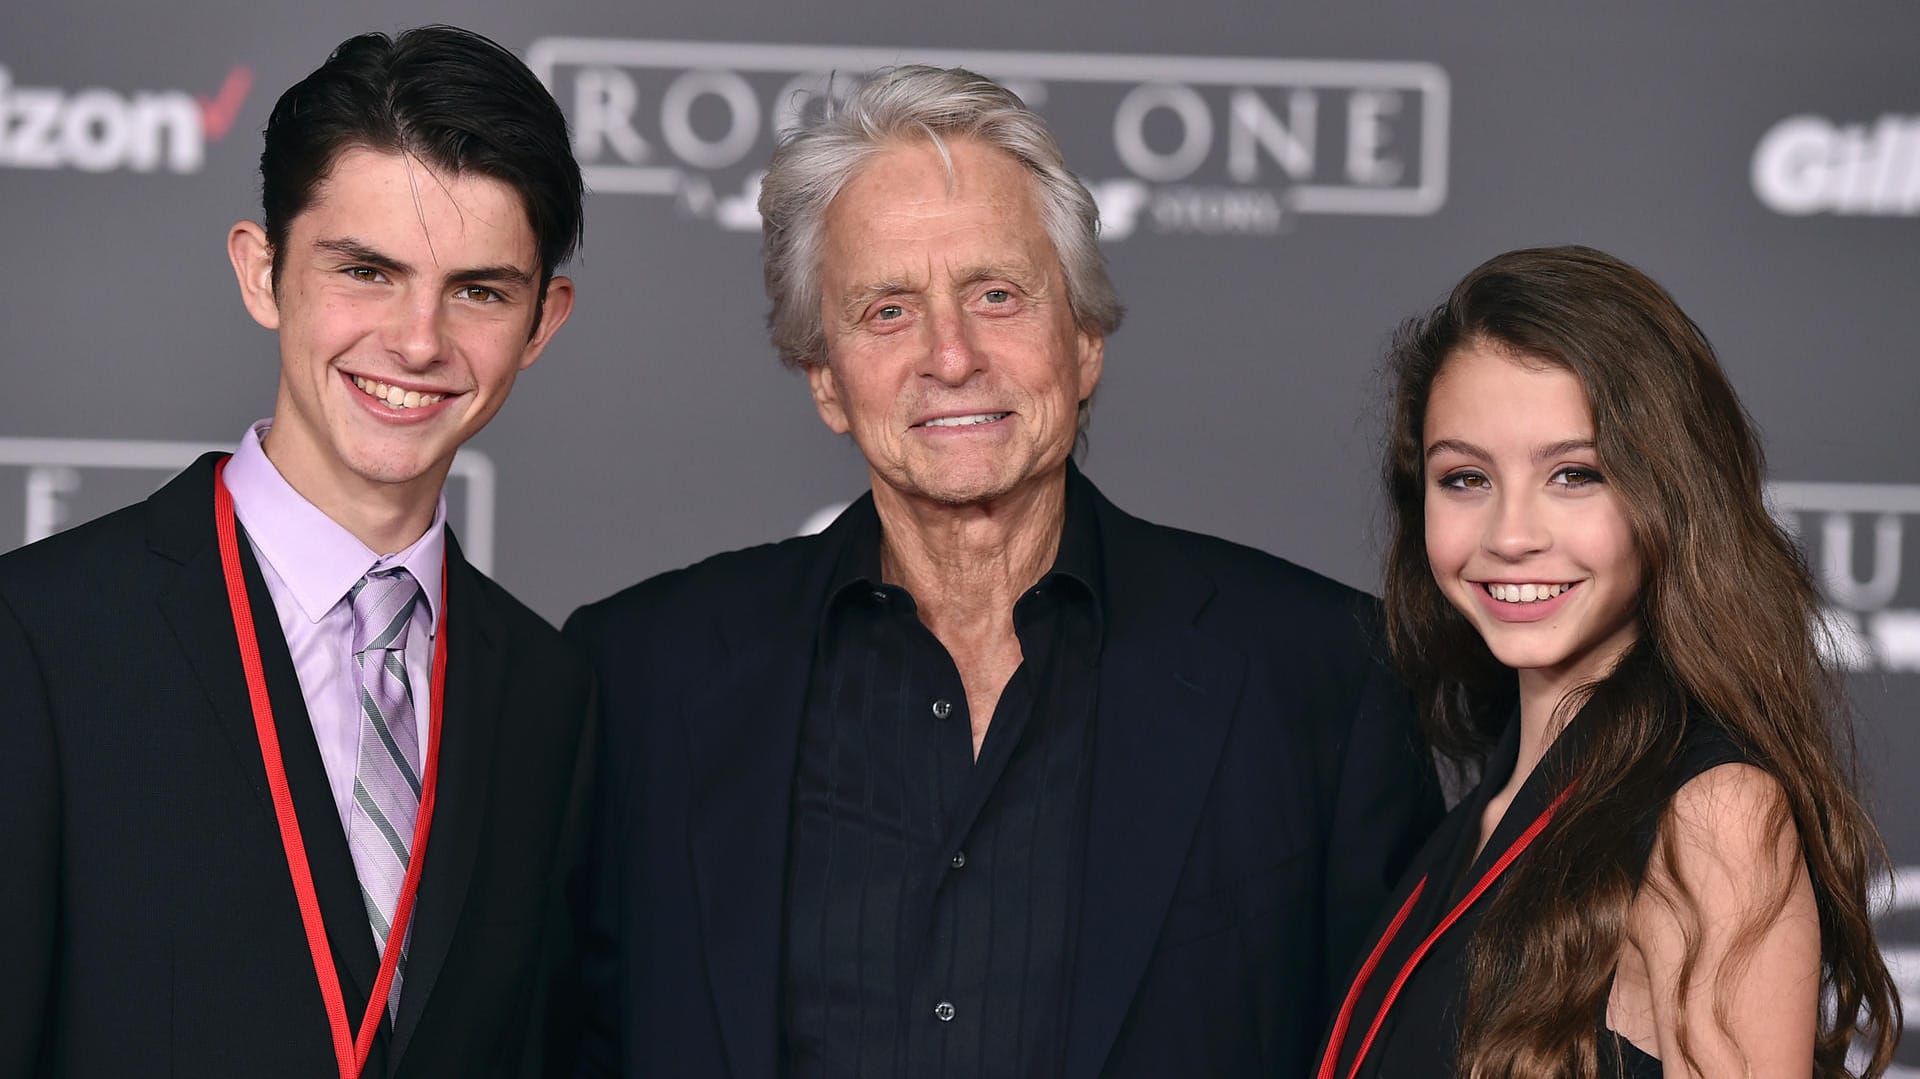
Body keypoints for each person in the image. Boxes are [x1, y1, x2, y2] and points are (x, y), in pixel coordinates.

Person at [564, 65, 1440, 1078]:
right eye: (886, 310)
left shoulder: (1320, 676)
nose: (951, 355)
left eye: (997, 294)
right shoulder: (641, 678)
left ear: (1084, 340)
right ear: (825, 381)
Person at [0, 26, 593, 1078]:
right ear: (263, 271)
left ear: (543, 321)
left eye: (480, 290)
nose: (418, 340)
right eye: (367, 270)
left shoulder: (551, 690)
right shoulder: (39, 638)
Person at [1318, 245, 1901, 1078]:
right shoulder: (1473, 819)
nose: (1511, 534)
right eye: (1465, 478)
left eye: (1574, 474)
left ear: (1668, 495)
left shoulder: (1715, 813)